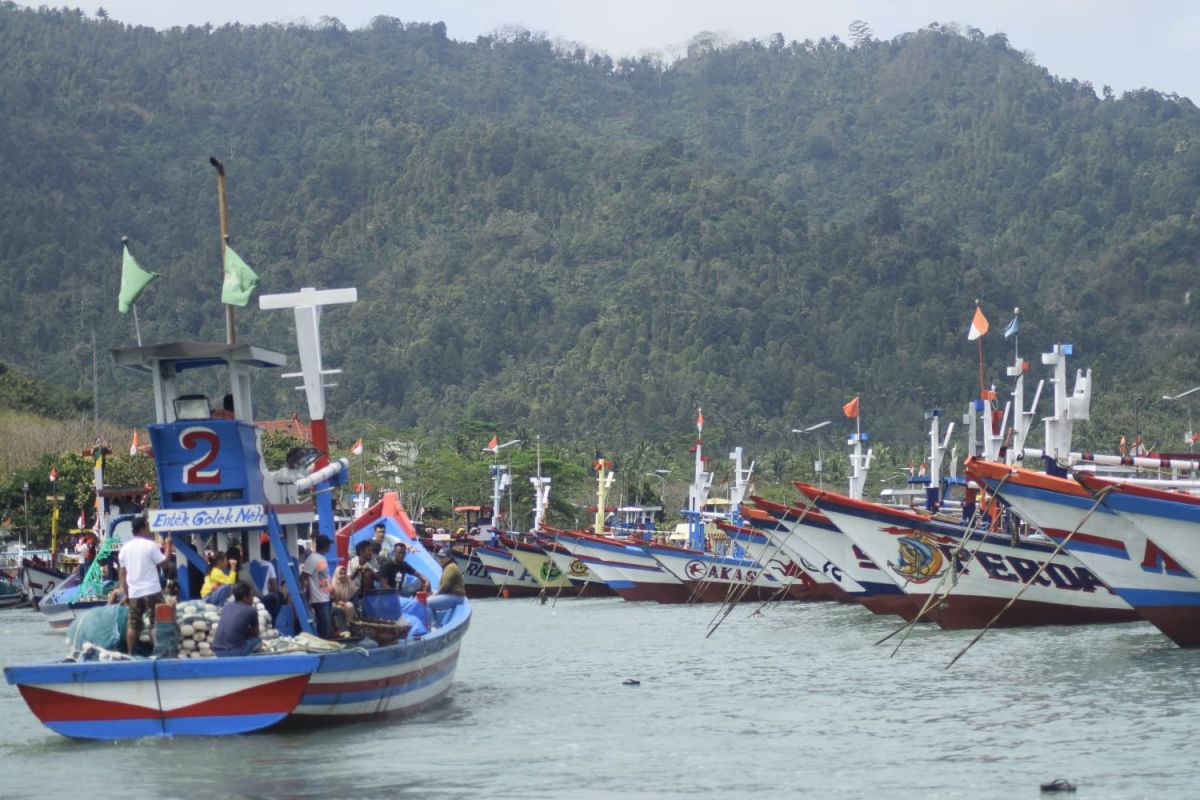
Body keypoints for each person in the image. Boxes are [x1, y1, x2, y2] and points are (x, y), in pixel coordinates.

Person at [117, 516, 166, 655]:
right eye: (148, 526)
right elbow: (165, 564)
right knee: (156, 622)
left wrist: (126, 593)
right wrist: (168, 547)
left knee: (132, 625)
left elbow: (122, 574)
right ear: (143, 527)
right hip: (152, 590)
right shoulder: (150, 545)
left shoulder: (125, 549)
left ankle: (130, 654)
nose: (150, 529)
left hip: (134, 592)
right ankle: (158, 653)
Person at [211, 582, 261, 657]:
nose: (252, 599)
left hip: (217, 651)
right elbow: (255, 633)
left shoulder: (227, 607)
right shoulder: (251, 610)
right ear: (245, 598)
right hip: (234, 652)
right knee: (257, 640)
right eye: (251, 596)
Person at [300, 534, 333, 638]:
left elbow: (322, 578)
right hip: (319, 599)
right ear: (325, 545)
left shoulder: (321, 558)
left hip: (325, 597)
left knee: (326, 627)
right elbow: (304, 576)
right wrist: (305, 596)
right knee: (325, 628)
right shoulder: (313, 558)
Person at [248, 537, 284, 621]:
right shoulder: (269, 565)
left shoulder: (245, 566)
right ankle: (272, 621)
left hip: (249, 599)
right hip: (264, 599)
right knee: (278, 596)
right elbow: (274, 588)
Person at [427, 547, 465, 621]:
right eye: (439, 557)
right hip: (453, 595)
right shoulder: (449, 566)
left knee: (426, 602)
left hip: (455, 597)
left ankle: (433, 625)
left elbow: (445, 586)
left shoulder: (450, 567)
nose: (440, 559)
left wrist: (435, 595)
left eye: (442, 557)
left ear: (449, 558)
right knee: (430, 596)